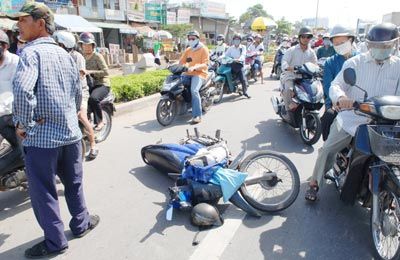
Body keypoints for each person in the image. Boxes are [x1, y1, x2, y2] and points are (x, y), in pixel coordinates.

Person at [8, 3, 99, 258]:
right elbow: (76, 94)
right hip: (70, 136)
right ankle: (81, 224)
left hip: (42, 141)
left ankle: (55, 242)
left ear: (40, 23)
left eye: (23, 20)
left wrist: (23, 125)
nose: (18, 26)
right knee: (74, 183)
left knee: (44, 192)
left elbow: (23, 92)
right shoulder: (67, 55)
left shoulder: (30, 54)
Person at [305, 23, 400, 202]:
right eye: (378, 46)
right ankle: (314, 184)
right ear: (370, 45)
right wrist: (341, 97)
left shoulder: (398, 66)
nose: (382, 49)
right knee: (327, 150)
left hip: (386, 122)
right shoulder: (354, 63)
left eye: (386, 46)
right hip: (353, 117)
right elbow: (336, 85)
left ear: (395, 44)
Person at [53, 31, 99, 159]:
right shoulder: (58, 56)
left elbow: (78, 78)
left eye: (57, 43)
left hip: (80, 91)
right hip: (64, 93)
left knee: (81, 116)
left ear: (64, 44)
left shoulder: (77, 57)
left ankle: (93, 144)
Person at [320, 25, 357, 141]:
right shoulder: (330, 62)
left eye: (342, 42)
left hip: (359, 105)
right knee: (327, 119)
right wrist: (340, 99)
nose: (339, 46)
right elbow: (327, 86)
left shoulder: (361, 59)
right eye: (336, 44)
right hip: (337, 104)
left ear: (351, 40)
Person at [0, 30, 23, 175]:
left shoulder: (16, 62)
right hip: (2, 117)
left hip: (17, 116)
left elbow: (23, 91)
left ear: (5, 46)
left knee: (23, 150)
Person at [78, 32, 110, 131]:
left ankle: (100, 121)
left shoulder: (97, 56)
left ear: (93, 45)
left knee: (93, 98)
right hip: (87, 85)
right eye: (84, 45)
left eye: (89, 45)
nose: (86, 47)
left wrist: (90, 72)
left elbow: (106, 72)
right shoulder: (80, 57)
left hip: (101, 84)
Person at [281, 27, 317, 112]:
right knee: (288, 90)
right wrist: (288, 67)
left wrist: (318, 69)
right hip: (291, 76)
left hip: (306, 78)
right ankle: (288, 109)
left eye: (308, 37)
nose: (305, 39)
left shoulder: (312, 52)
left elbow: (315, 64)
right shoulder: (292, 50)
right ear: (299, 38)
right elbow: (284, 61)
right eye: (303, 37)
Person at [178, 30, 210, 124]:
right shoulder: (188, 50)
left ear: (197, 39)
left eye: (193, 38)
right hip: (188, 73)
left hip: (200, 73)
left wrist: (195, 67)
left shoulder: (203, 49)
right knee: (177, 85)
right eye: (189, 38)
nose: (191, 40)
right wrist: (174, 66)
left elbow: (205, 64)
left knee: (194, 91)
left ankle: (197, 116)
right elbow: (181, 61)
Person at [223, 33, 250, 98]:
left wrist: (239, 59)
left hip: (239, 64)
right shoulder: (231, 48)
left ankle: (245, 92)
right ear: (233, 40)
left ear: (240, 40)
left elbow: (243, 55)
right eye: (235, 39)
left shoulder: (242, 47)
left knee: (243, 79)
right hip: (231, 64)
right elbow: (226, 55)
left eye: (238, 39)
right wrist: (222, 57)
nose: (236, 41)